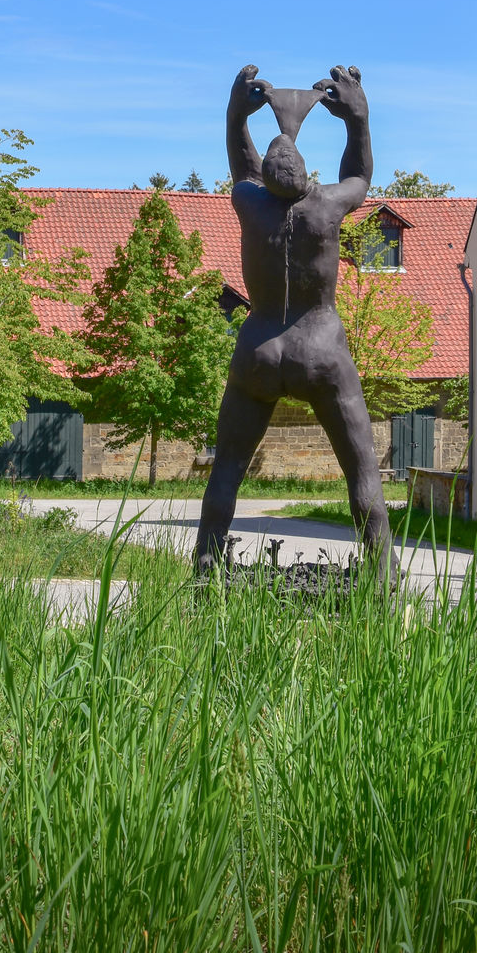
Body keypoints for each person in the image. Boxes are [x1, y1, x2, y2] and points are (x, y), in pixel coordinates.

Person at [194, 63, 397, 582]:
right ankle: (382, 579)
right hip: (321, 349)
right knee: (362, 473)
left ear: (266, 178)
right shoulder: (326, 206)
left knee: (226, 472)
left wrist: (236, 116)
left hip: (259, 347)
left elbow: (241, 167)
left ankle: (204, 572)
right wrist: (358, 122)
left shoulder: (249, 202)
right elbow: (360, 177)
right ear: (307, 178)